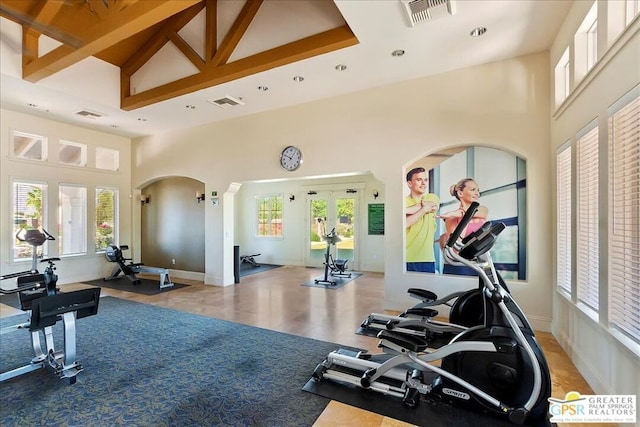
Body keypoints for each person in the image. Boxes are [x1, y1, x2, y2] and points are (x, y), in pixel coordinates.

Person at [438, 178, 488, 275]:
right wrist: (460, 216)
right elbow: (457, 249)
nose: (477, 193)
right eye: (473, 190)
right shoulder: (451, 219)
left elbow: (473, 212)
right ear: (460, 193)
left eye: (478, 190)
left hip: (480, 264)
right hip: (459, 265)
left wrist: (457, 213)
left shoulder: (483, 210)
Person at [405, 167, 439, 273]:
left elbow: (431, 205)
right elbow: (405, 223)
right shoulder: (403, 201)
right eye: (419, 180)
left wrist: (405, 211)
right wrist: (424, 209)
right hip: (406, 258)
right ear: (410, 183)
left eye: (425, 180)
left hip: (427, 258)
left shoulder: (432, 197)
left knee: (427, 289)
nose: (423, 183)